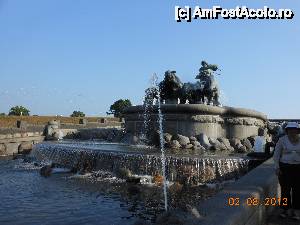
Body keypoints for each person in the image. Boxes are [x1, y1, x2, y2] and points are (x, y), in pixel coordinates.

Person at [273, 122, 300, 220]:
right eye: (290, 130)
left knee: (298, 190)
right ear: (287, 131)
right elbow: (276, 155)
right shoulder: (282, 140)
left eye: (294, 130)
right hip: (285, 167)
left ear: (297, 131)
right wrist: (277, 167)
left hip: (298, 168)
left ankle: (297, 211)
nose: (292, 131)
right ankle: (285, 210)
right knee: (285, 190)